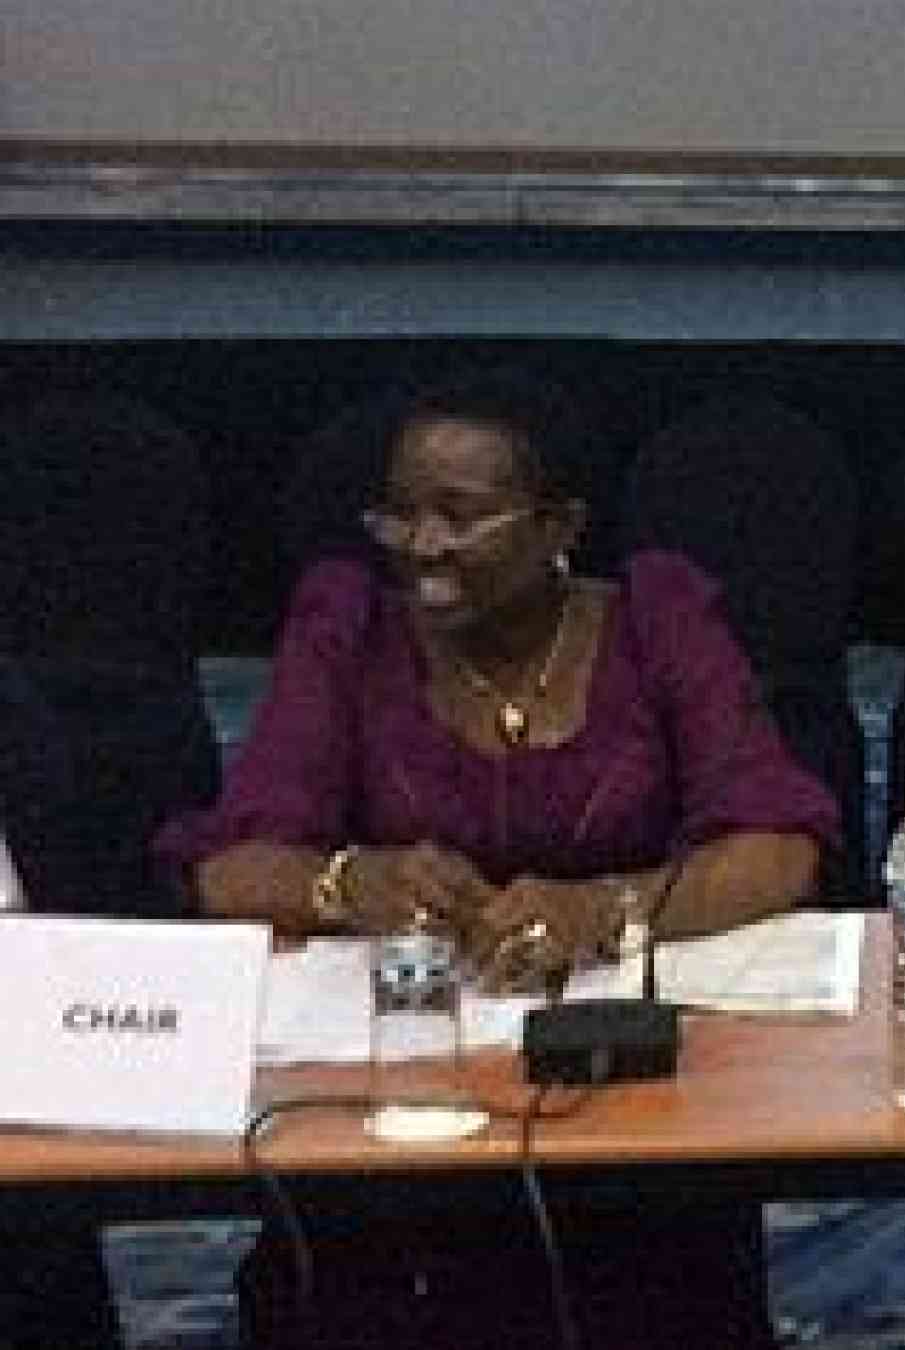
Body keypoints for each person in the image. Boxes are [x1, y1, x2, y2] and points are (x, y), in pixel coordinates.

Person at [156, 374, 840, 1350]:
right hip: (399, 1084)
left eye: (459, 516)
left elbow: (778, 848)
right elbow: (228, 867)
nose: (421, 547)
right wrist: (350, 884)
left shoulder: (656, 621)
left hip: (626, 1088)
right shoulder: (349, 627)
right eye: (399, 513)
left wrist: (609, 906)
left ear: (559, 525)